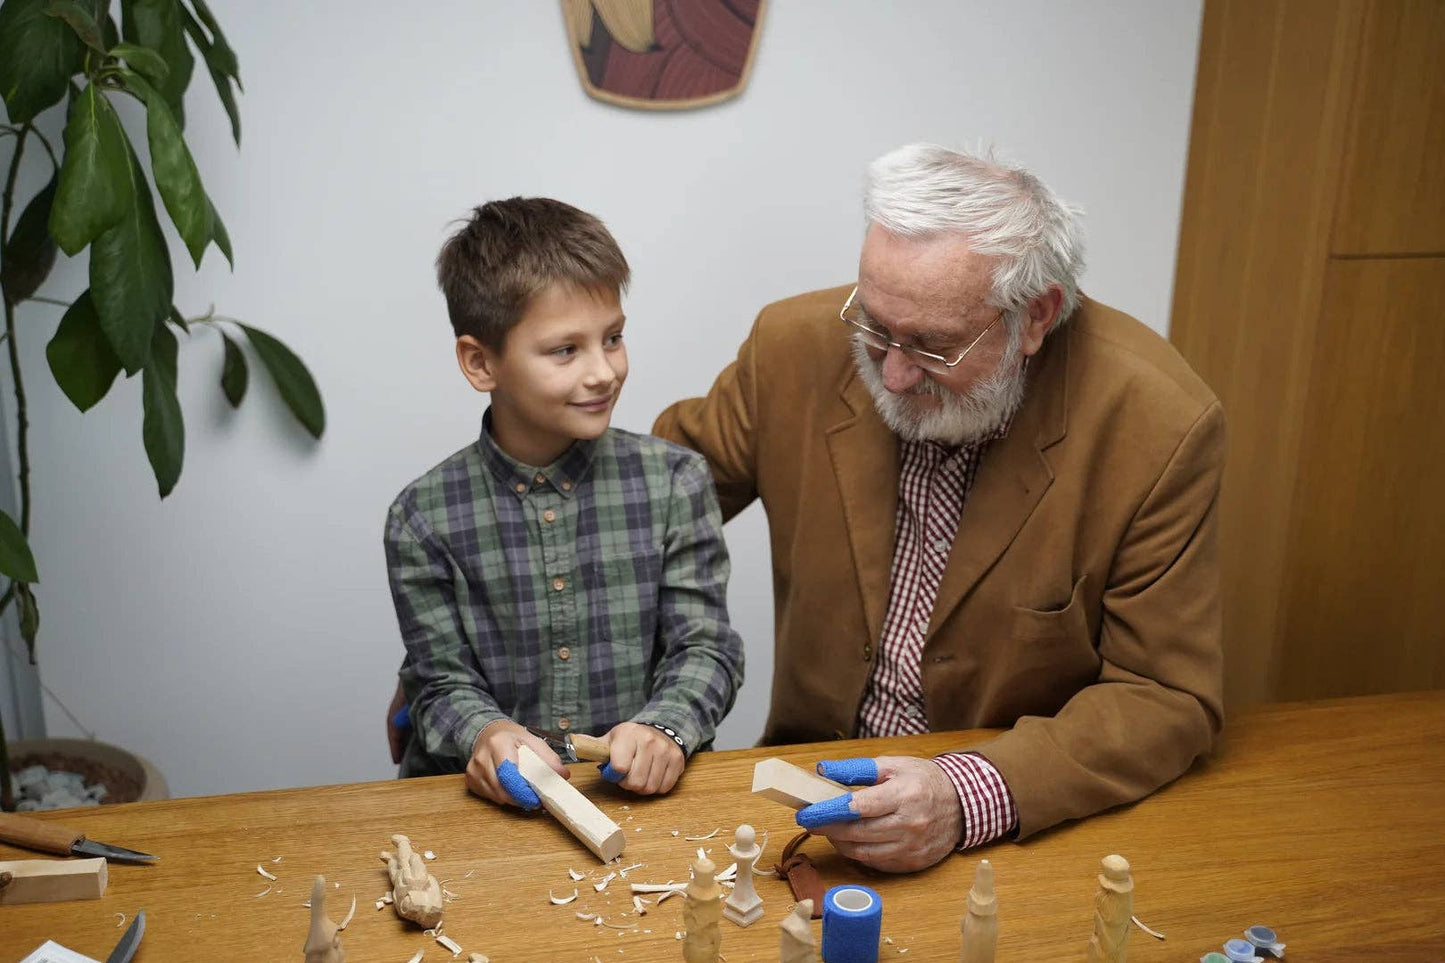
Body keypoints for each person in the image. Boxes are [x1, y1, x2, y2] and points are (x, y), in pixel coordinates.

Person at [653, 144, 1224, 872]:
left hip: (1010, 829)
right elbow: (640, 509)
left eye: (932, 346)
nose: (889, 373)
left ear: (1036, 317)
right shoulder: (791, 347)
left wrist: (966, 793)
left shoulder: (1156, 422)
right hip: (804, 796)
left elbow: (1166, 696)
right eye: (874, 325)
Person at [385, 197, 744, 807]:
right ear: (480, 362)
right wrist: (488, 733)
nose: (604, 372)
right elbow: (440, 680)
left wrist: (667, 728)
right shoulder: (421, 518)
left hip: (633, 803)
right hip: (485, 813)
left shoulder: (676, 481)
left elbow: (705, 647)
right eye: (565, 350)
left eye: (613, 338)